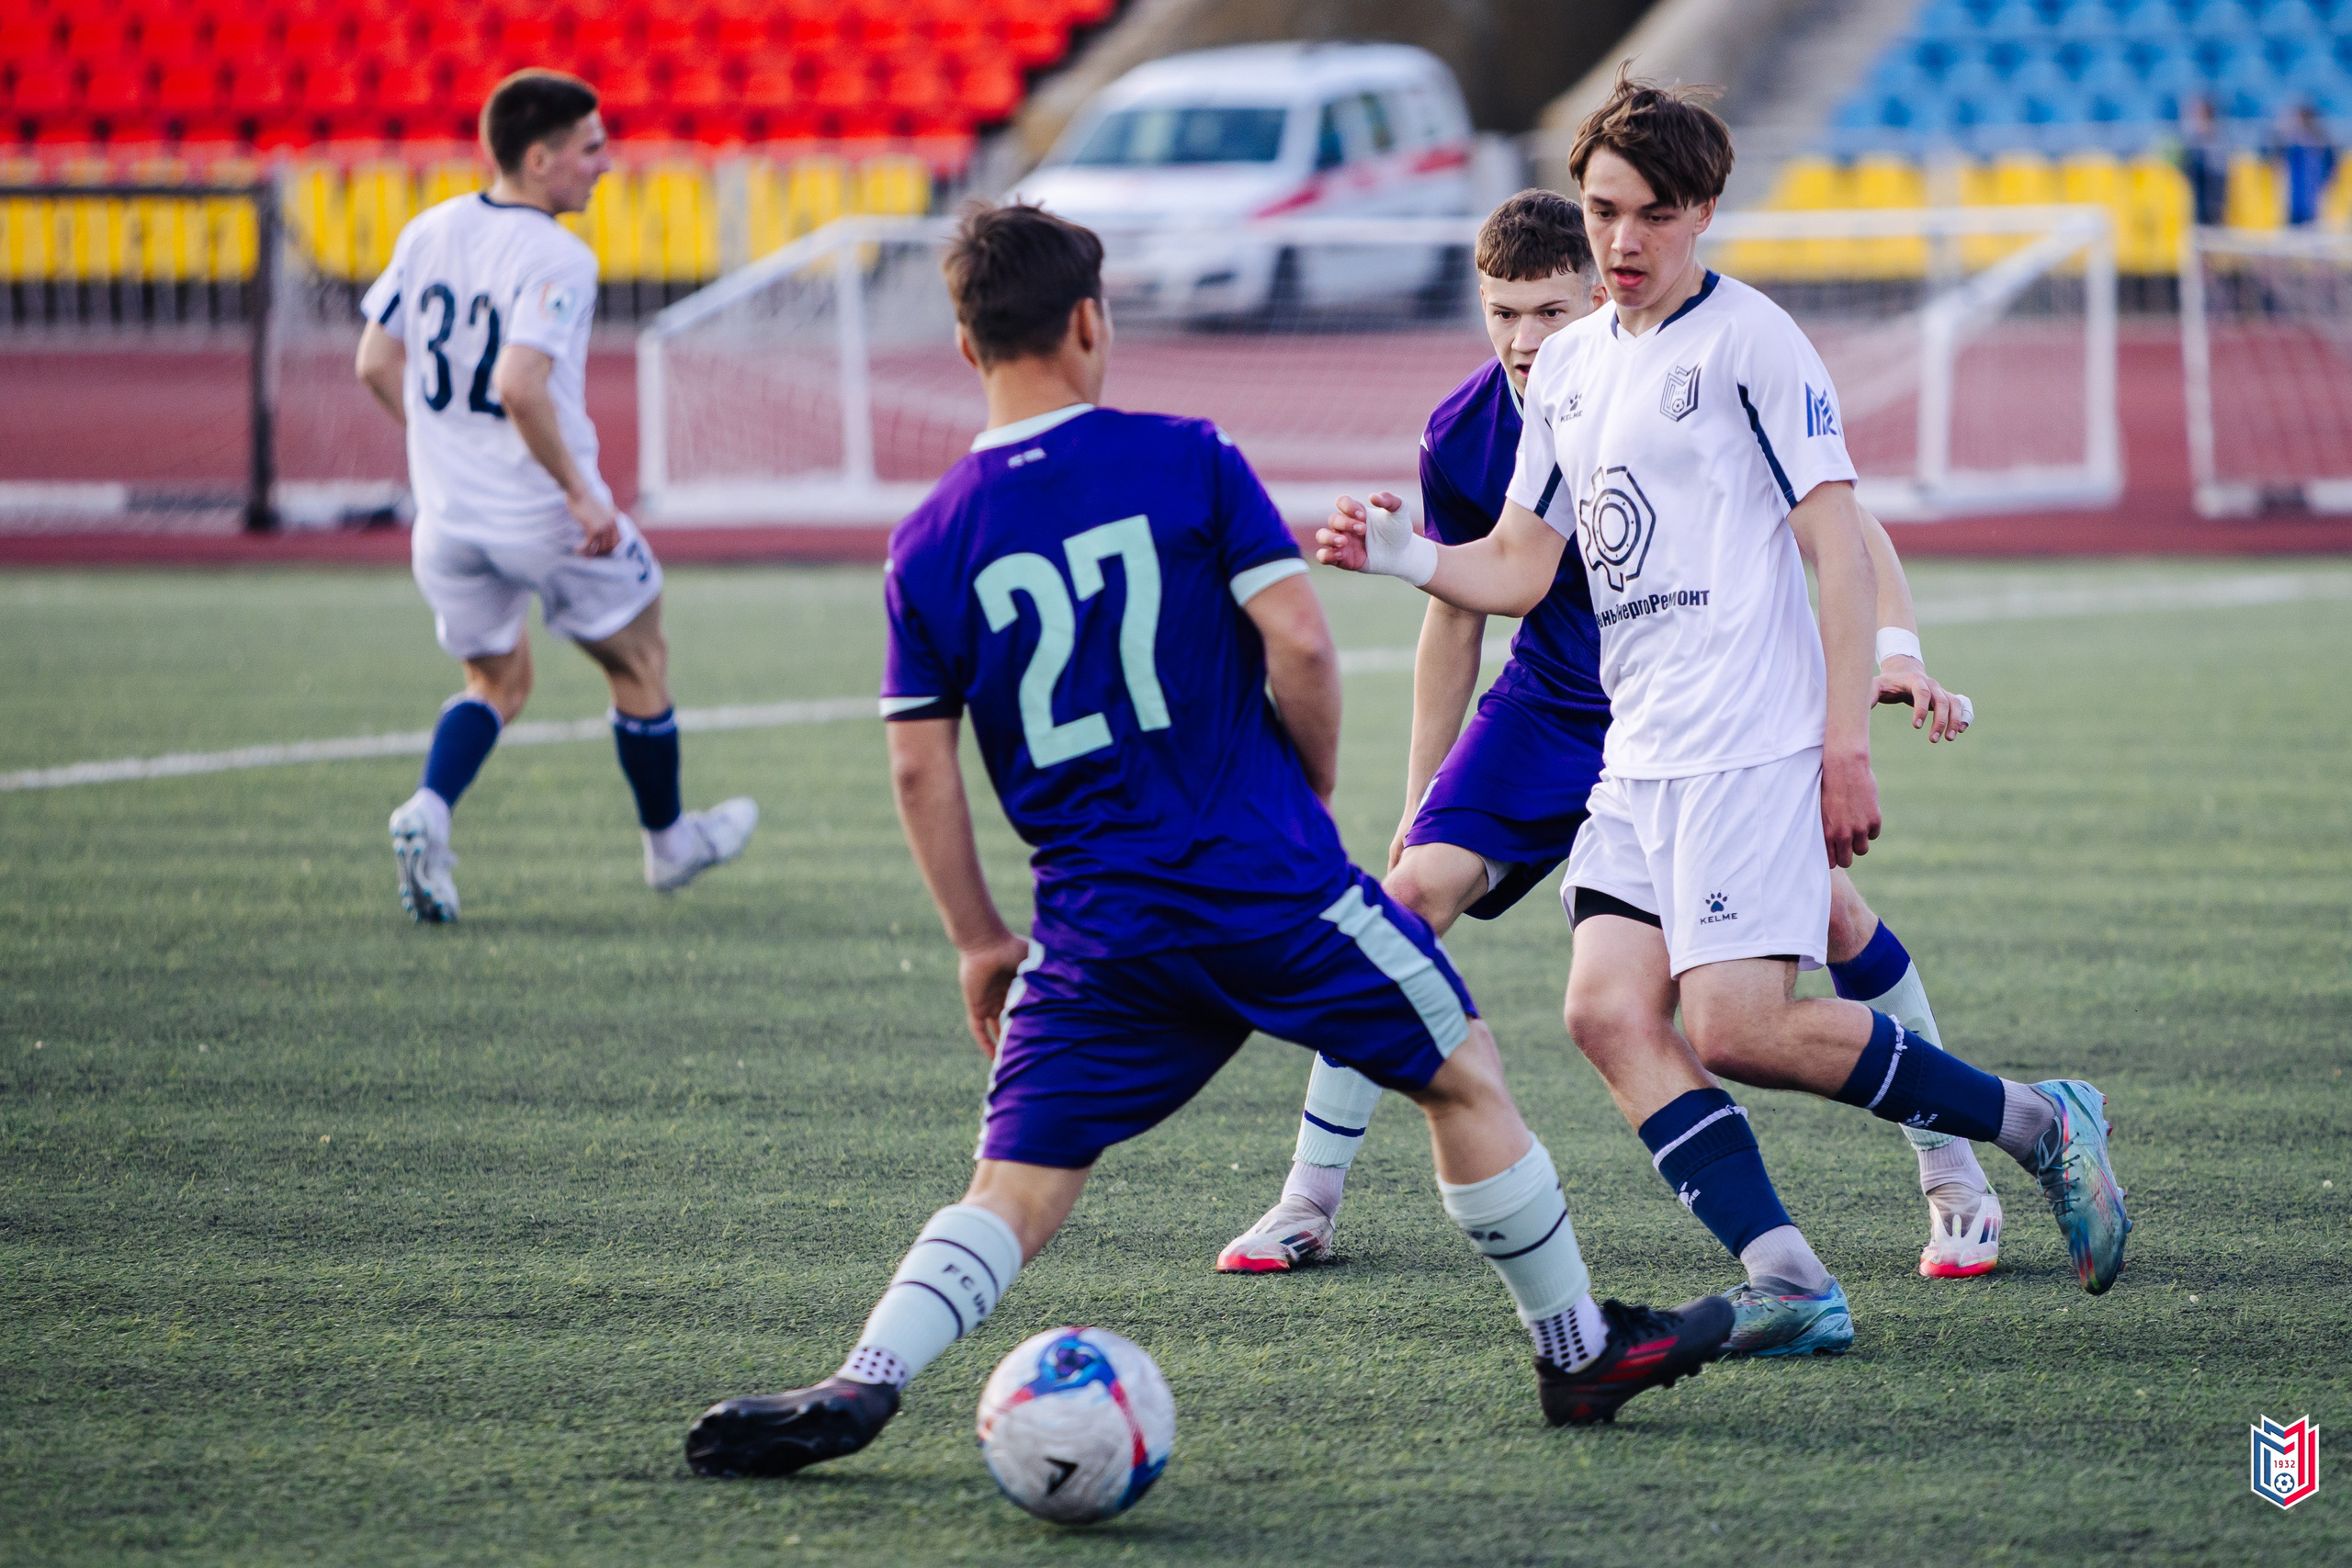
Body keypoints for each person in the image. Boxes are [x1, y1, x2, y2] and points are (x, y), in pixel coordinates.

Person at [684, 203, 1733, 1477]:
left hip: (1093, 927)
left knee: (1016, 1181)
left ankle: (864, 1376)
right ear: (1089, 321)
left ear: (965, 347)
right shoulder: (1187, 457)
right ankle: (1576, 1346)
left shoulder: (930, 540)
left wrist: (977, 940)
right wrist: (1307, 794)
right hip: (1263, 879)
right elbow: (1299, 640)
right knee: (1459, 1065)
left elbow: (919, 765)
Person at [1313, 73, 2130, 1320]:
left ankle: (2033, 1119)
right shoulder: (1575, 366)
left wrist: (1846, 734)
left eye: (1649, 215)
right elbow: (1524, 568)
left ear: (1701, 213)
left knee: (1738, 1023)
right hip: (1638, 749)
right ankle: (1787, 1275)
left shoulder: (1754, 341)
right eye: (1601, 213)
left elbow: (1838, 539)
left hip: (1749, 731)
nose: (1621, 242)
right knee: (1602, 1010)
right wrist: (1405, 557)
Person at [1216, 191, 2005, 1325]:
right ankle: (1307, 1199)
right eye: (1502, 316)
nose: (1525, 342)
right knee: (1400, 902)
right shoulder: (1463, 432)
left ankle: (1955, 1175)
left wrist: (1894, 652)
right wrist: (1423, 794)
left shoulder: (1687, 362)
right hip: (1554, 704)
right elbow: (1460, 605)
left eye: (1547, 311)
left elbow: (1841, 525)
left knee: (1829, 920)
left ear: (1600, 290)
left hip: (1712, 701)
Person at [356, 70, 754, 923]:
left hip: (449, 519)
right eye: (591, 148)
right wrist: (581, 495)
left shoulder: (429, 229)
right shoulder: (558, 255)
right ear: (540, 158)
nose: (605, 166)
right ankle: (669, 845)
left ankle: (428, 810)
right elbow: (520, 382)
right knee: (641, 659)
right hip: (544, 515)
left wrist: (442, 449)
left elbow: (374, 361)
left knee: (495, 678)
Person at [2273, 102, 2337, 229]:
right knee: (2294, 222)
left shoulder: (2321, 142)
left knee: (2312, 222)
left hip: (2312, 193)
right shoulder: (2291, 140)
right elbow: (2278, 159)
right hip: (2294, 192)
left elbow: (2331, 166)